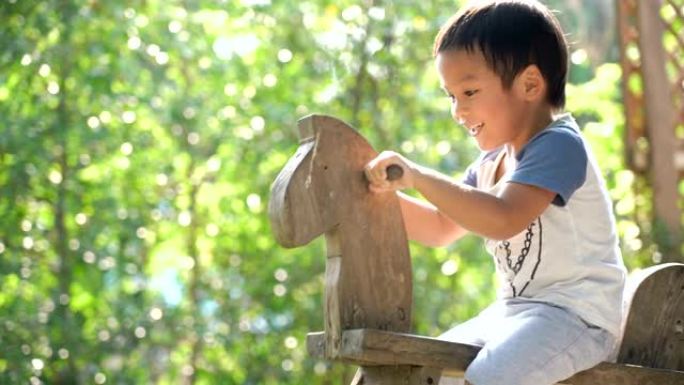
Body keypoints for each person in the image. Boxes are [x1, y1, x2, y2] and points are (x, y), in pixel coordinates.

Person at [363, 1, 627, 384]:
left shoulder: (558, 145)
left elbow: (503, 218)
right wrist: (372, 194)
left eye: (469, 92)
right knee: (426, 369)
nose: (457, 110)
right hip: (514, 312)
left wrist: (417, 176)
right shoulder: (491, 163)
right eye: (451, 96)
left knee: (488, 378)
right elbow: (438, 227)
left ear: (530, 85)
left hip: (578, 316)